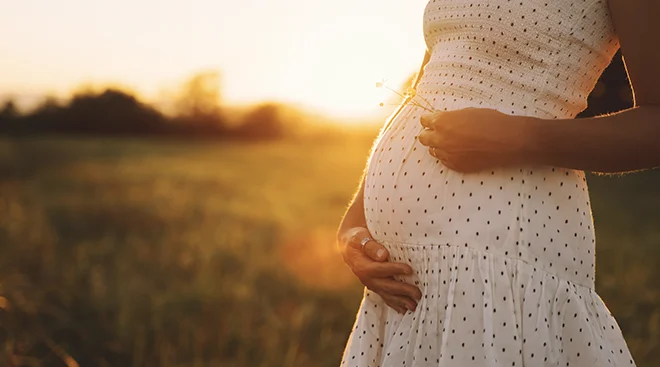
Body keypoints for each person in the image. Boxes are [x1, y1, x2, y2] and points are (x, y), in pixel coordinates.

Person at [336, 0, 660, 366]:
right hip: (406, 280)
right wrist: (354, 223)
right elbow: (430, 84)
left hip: (501, 259)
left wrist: (518, 137)